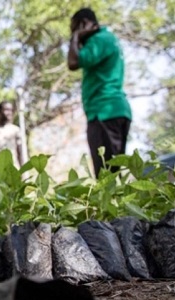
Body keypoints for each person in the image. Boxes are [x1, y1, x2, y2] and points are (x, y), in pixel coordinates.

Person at [67, 8, 132, 178]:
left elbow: (72, 62)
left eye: (75, 28)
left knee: (106, 176)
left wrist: (75, 37)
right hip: (115, 110)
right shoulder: (108, 39)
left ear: (85, 24)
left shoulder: (98, 40)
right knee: (113, 172)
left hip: (104, 111)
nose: (75, 33)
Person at [0, 101, 23, 168]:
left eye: (11, 110)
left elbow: (20, 152)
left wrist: (23, 171)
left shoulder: (16, 130)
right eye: (6, 110)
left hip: (13, 169)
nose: (9, 113)